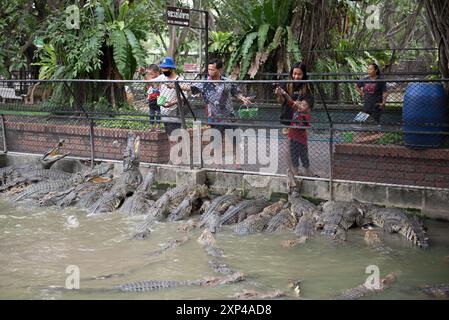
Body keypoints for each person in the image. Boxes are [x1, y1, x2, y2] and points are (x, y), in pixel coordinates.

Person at [178, 58, 253, 168]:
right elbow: (190, 88)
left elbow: (236, 92)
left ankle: (238, 163)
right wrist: (177, 85)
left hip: (229, 116)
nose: (210, 71)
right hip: (214, 117)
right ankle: (218, 164)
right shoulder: (204, 83)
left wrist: (243, 99)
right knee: (217, 142)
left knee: (235, 140)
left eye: (212, 69)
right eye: (209, 69)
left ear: (219, 70)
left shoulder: (227, 82)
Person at [275, 61, 314, 176]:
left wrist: (287, 97)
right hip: (288, 119)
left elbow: (304, 107)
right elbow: (281, 102)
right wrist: (279, 95)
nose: (296, 77)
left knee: (302, 146)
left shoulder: (308, 85)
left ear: (304, 75)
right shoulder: (285, 83)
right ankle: (293, 170)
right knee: (290, 146)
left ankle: (307, 169)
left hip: (301, 122)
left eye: (299, 74)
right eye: (294, 74)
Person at [154, 56, 184, 136]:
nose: (163, 70)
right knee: (168, 134)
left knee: (175, 135)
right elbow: (150, 82)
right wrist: (144, 74)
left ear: (171, 69)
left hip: (175, 112)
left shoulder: (179, 80)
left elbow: (183, 97)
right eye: (162, 68)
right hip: (164, 112)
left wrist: (172, 103)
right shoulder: (162, 77)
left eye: (166, 68)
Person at [144, 64, 161, 129]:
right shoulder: (151, 86)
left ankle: (158, 126)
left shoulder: (161, 80)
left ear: (157, 73)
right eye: (149, 74)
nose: (150, 76)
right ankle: (151, 126)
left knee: (158, 114)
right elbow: (148, 85)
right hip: (151, 102)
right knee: (151, 114)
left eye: (151, 74)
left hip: (159, 101)